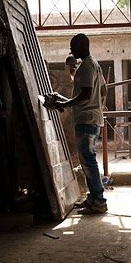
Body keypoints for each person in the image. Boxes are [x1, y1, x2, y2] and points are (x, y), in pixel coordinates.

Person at [47, 34, 108, 214]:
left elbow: (86, 94)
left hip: (86, 120)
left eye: (73, 47)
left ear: (82, 46)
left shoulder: (87, 66)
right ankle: (93, 198)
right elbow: (102, 90)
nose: (71, 51)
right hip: (92, 117)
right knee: (88, 160)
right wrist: (94, 105)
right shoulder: (94, 65)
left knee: (88, 161)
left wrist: (66, 104)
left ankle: (98, 200)